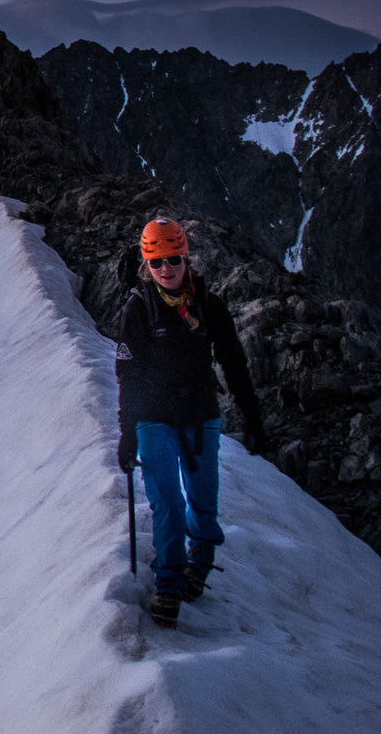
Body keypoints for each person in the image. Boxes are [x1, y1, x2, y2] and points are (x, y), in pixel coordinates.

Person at [115, 218, 267, 628]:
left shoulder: (209, 307)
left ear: (187, 258)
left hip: (200, 417)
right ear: (147, 263)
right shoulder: (138, 310)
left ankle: (199, 560)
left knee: (202, 496)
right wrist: (128, 434)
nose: (168, 269)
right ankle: (169, 583)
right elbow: (128, 375)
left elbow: (234, 363)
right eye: (158, 261)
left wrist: (252, 418)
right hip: (154, 421)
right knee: (168, 503)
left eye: (175, 259)